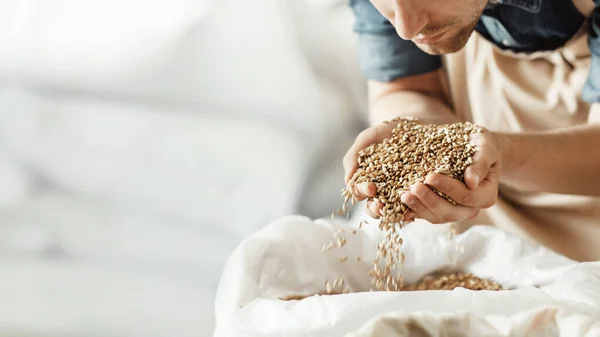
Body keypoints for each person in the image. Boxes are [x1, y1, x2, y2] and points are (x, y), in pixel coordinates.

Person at [343, 0, 600, 261]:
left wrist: (497, 157)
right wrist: (416, 136)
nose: (405, 29)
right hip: (475, 234)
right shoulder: (409, 16)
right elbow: (405, 87)